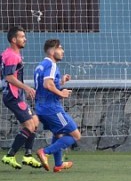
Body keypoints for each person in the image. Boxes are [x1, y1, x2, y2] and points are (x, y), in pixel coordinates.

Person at [33, 39, 79, 172]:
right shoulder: (52, 65)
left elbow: (45, 85)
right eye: (60, 48)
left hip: (41, 107)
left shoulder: (41, 66)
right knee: (75, 135)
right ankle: (45, 152)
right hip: (52, 108)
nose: (62, 51)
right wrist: (61, 93)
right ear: (52, 51)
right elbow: (48, 84)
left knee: (59, 134)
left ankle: (58, 164)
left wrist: (61, 81)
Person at [1, 26, 43, 169]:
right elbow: (9, 77)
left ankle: (28, 156)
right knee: (30, 126)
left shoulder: (9, 53)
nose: (25, 39)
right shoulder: (12, 56)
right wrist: (26, 88)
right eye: (22, 37)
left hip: (17, 95)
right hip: (13, 96)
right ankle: (10, 155)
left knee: (35, 121)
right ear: (14, 40)